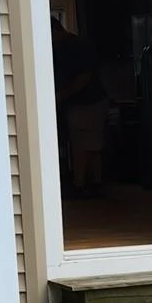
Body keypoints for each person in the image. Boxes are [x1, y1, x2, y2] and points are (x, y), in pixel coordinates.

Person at [51, 10, 107, 194]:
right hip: (89, 103)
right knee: (92, 144)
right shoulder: (68, 47)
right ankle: (92, 185)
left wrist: (61, 95)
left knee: (82, 145)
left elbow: (84, 76)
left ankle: (81, 185)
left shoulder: (75, 46)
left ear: (56, 31)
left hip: (86, 103)